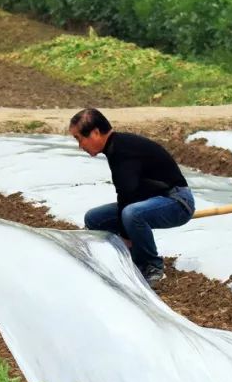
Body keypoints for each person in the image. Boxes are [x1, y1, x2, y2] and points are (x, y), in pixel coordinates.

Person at [69, 108, 194, 286]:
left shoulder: (123, 150)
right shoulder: (115, 147)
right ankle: (124, 260)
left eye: (79, 138)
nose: (80, 145)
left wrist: (125, 235)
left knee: (132, 214)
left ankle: (152, 266)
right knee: (94, 218)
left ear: (95, 132)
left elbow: (128, 193)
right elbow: (128, 194)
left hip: (177, 202)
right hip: (152, 199)